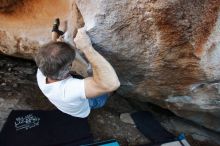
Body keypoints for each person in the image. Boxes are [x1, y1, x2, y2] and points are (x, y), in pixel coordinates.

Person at [35, 18, 120, 118]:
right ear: (68, 68)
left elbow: (51, 54)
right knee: (105, 93)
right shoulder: (69, 90)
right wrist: (87, 48)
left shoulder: (42, 71)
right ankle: (110, 95)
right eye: (70, 63)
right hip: (86, 107)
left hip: (65, 103)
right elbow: (111, 84)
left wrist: (56, 39)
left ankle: (54, 29)